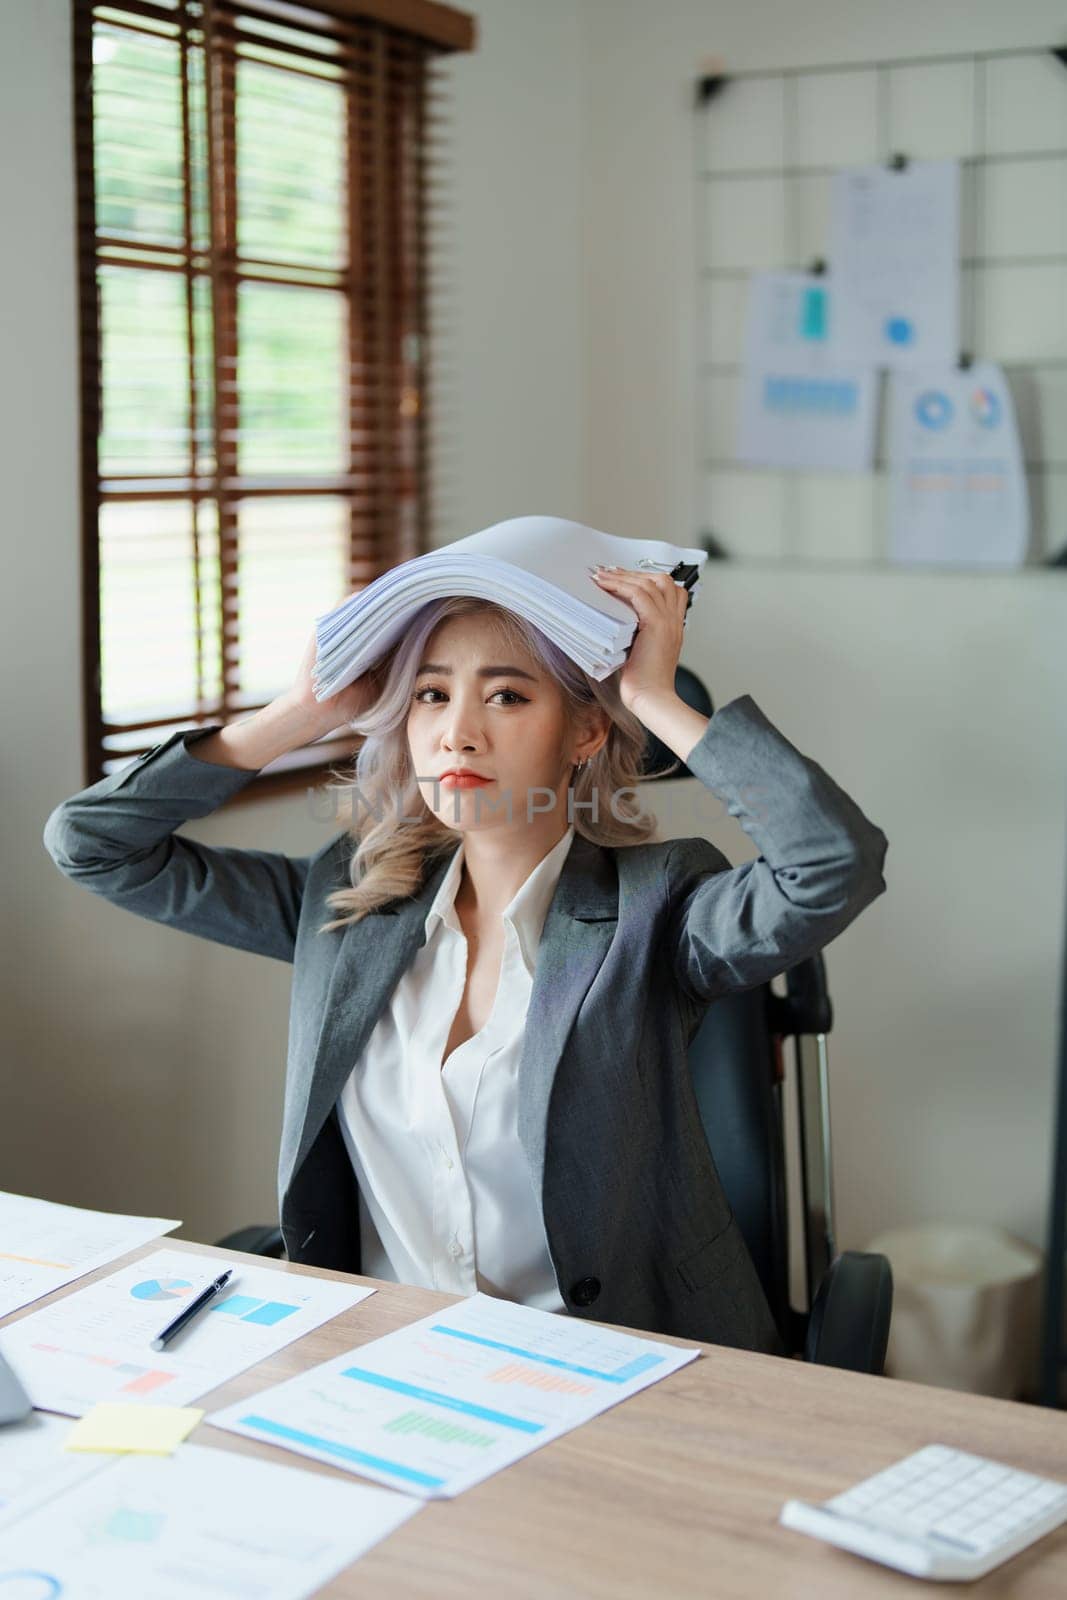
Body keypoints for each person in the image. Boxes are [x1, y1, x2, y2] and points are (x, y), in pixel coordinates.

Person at [43, 564, 888, 1355]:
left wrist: (650, 696)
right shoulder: (349, 905)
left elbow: (831, 864)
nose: (458, 733)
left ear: (585, 730)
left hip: (612, 1360)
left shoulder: (657, 908)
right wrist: (294, 714)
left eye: (508, 696)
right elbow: (91, 845)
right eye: (430, 696)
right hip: (386, 1359)